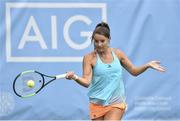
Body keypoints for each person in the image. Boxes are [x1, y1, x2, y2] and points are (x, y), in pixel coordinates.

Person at [65, 22, 165, 120]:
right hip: (96, 103)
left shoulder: (118, 54)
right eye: (96, 41)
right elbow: (87, 82)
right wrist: (75, 77)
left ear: (109, 39)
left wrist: (147, 65)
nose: (99, 44)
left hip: (116, 102)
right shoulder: (88, 58)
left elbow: (134, 71)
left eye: (102, 41)